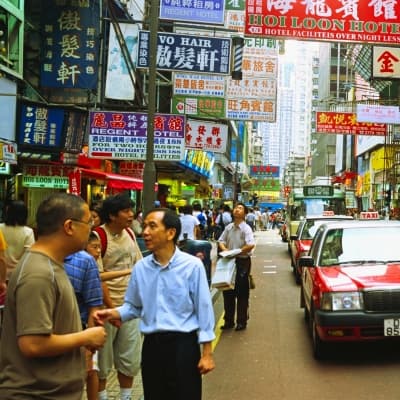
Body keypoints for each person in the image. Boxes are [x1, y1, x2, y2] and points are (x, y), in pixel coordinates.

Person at [93, 207, 215, 400]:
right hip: (152, 348)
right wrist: (112, 313)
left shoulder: (192, 266)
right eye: (144, 227)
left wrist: (207, 353)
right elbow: (133, 306)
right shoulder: (141, 268)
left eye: (152, 226)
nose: (145, 233)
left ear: (170, 233)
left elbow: (204, 309)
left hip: (183, 347)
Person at [0, 193, 107, 399]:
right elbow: (33, 344)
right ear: (69, 226)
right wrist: (86, 336)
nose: (91, 229)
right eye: (88, 223)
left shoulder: (51, 265)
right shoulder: (38, 273)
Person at [94, 193, 142, 400]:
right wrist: (112, 310)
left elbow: (139, 265)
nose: (131, 215)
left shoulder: (130, 233)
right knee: (102, 361)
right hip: (105, 309)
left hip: (130, 307)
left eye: (131, 210)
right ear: (112, 216)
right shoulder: (98, 237)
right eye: (126, 211)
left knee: (129, 358)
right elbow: (98, 277)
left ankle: (126, 397)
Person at [65, 234, 104, 400]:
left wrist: (89, 349)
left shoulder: (85, 262)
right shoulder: (36, 261)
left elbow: (94, 305)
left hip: (81, 331)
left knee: (90, 371)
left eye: (99, 247)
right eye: (94, 246)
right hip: (56, 335)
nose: (98, 251)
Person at [218, 202, 255, 331]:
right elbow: (221, 240)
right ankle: (228, 321)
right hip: (228, 261)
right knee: (227, 290)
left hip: (242, 262)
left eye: (240, 208)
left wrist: (238, 251)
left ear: (245, 214)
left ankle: (241, 321)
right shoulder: (229, 227)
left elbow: (251, 244)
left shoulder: (246, 229)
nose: (237, 210)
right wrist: (226, 250)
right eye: (236, 208)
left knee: (242, 292)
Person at [0, 200, 35, 280]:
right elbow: (28, 256)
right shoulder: (28, 232)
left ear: (8, 212)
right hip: (18, 276)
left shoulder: (0, 228)